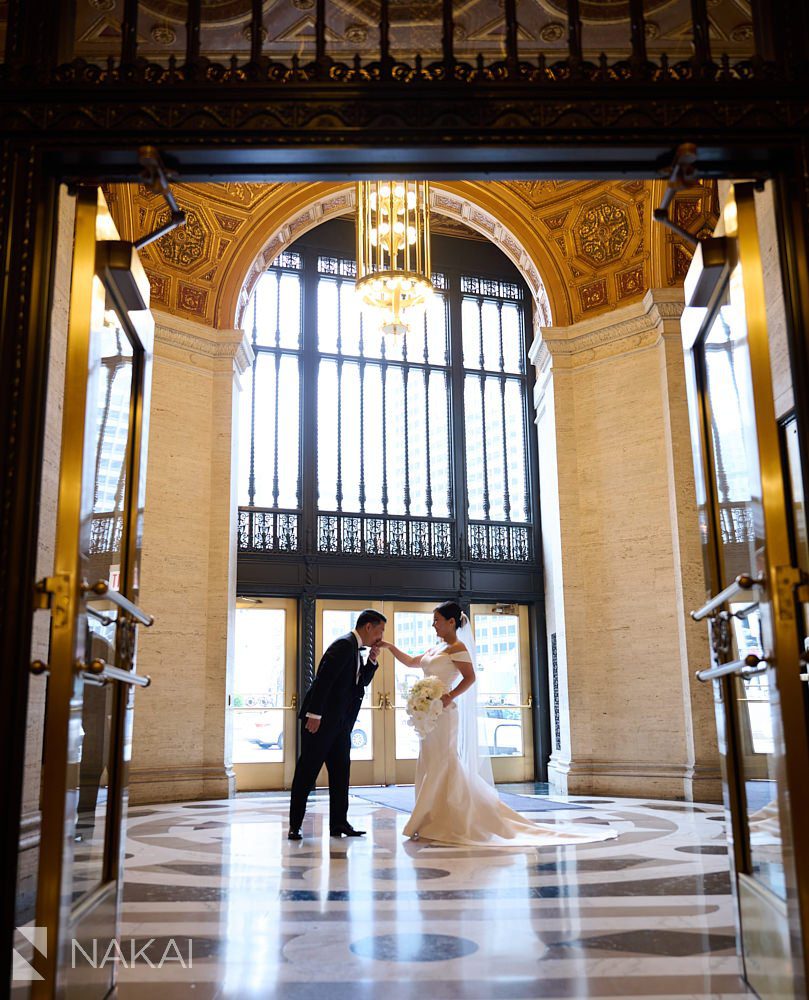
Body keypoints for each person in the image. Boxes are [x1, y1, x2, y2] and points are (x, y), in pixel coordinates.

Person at [379, 601, 618, 847]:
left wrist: (449, 696)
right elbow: (410, 662)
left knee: (444, 761)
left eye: (437, 620)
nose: (434, 624)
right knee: (430, 761)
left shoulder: (456, 647)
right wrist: (388, 646)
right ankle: (431, 815)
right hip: (428, 716)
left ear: (451, 622)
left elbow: (470, 677)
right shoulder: (436, 647)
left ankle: (448, 816)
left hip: (445, 713)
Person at [288, 608, 386, 840]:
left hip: (341, 725)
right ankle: (295, 825)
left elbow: (359, 684)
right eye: (380, 630)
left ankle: (339, 824)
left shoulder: (356, 649)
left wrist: (371, 660)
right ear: (368, 627)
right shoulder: (343, 644)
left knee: (341, 773)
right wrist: (314, 714)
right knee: (306, 772)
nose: (381, 637)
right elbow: (324, 679)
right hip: (321, 722)